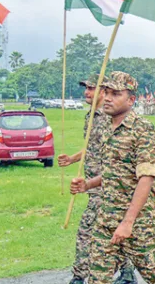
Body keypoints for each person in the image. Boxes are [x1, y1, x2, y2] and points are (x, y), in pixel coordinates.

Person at [70, 72, 155, 284]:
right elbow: (114, 170)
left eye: (116, 94)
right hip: (107, 216)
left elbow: (146, 178)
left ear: (131, 100)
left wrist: (128, 223)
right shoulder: (107, 128)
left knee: (152, 273)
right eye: (106, 92)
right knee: (97, 274)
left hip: (138, 221)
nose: (108, 98)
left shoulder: (142, 130)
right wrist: (88, 184)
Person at [60, 74, 136, 284]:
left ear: (103, 92)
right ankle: (128, 272)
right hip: (92, 182)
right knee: (111, 231)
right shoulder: (91, 116)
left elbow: (115, 151)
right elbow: (92, 146)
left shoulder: (108, 117)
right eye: (86, 88)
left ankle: (79, 276)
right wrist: (72, 159)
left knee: (87, 230)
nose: (87, 92)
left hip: (106, 184)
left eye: (92, 88)